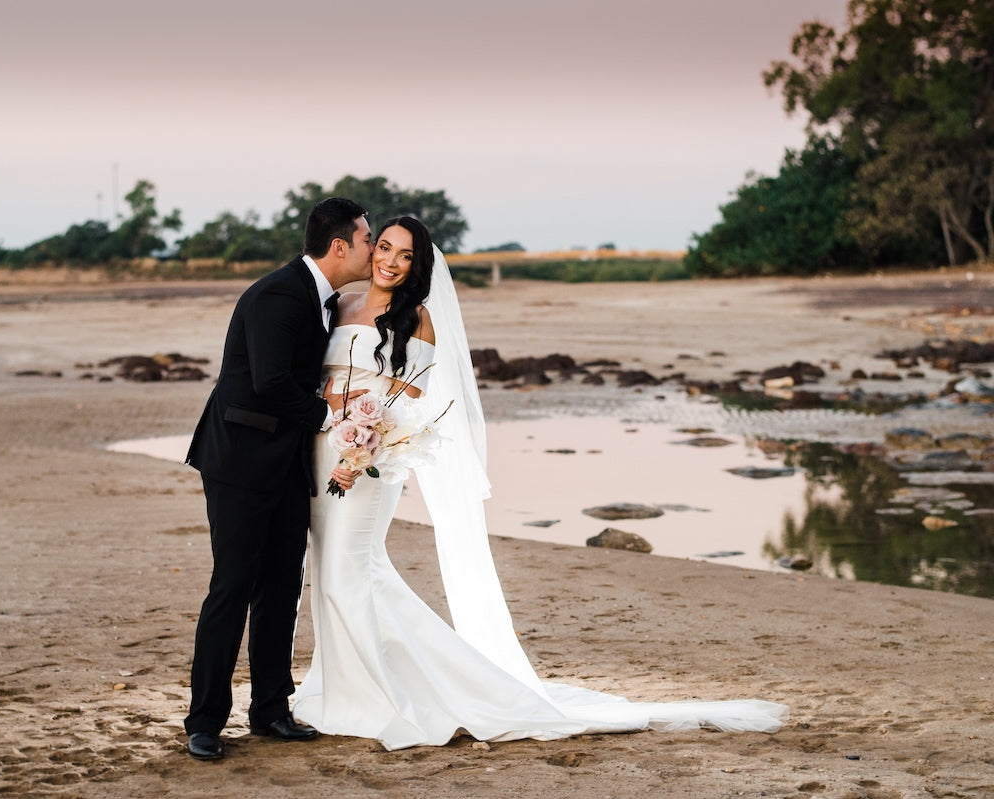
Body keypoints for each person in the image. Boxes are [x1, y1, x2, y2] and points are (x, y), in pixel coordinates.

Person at [291, 216, 787, 750]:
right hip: (321, 452)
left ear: (419, 265)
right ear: (370, 251)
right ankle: (343, 688)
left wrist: (363, 440)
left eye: (405, 255)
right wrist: (331, 417)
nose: (390, 260)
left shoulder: (418, 320)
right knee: (335, 572)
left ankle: (383, 698)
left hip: (372, 459)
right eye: (383, 247)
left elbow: (408, 404)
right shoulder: (338, 307)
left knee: (350, 571)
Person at [182, 197, 373, 760]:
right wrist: (332, 418)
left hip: (287, 464)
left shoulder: (323, 299)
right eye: (367, 239)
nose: (371, 246)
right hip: (239, 461)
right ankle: (205, 721)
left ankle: (270, 710)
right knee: (232, 588)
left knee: (282, 588)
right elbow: (267, 383)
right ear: (339, 245)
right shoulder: (278, 294)